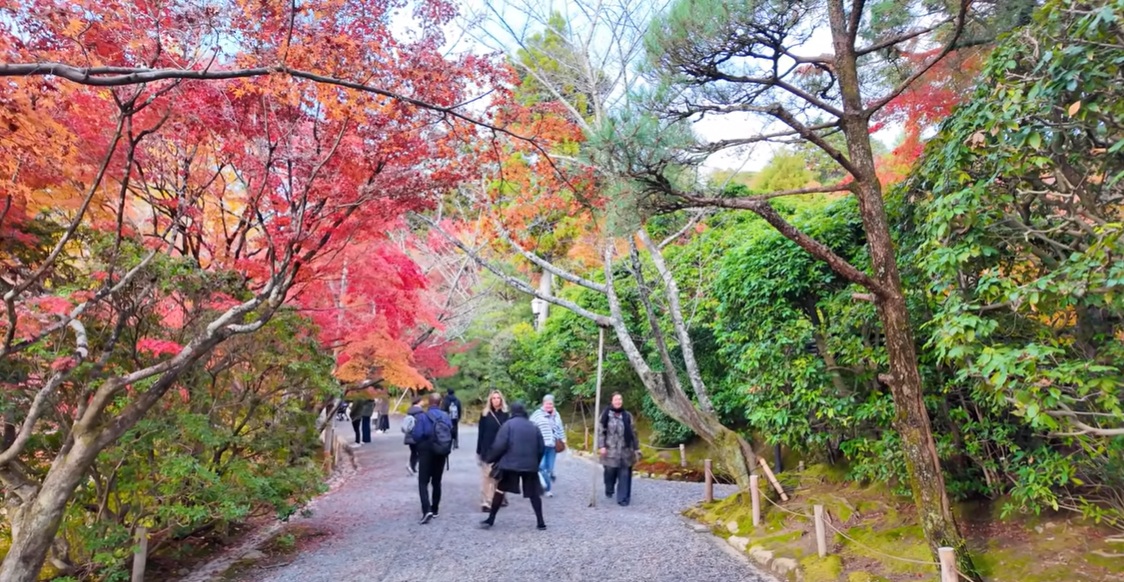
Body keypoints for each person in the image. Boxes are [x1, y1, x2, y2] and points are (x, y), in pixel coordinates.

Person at [480, 401, 547, 530]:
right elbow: (541, 448)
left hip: (510, 464)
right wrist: (535, 462)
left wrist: (490, 458)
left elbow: (499, 445)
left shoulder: (508, 425)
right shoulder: (533, 426)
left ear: (512, 411)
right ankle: (540, 522)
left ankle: (490, 519)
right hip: (530, 465)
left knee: (500, 490)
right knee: (534, 494)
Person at [410, 393, 453, 524]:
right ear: (440, 403)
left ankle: (426, 509)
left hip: (426, 451)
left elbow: (417, 435)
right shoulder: (445, 416)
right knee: (436, 481)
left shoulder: (422, 417)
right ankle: (435, 509)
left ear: (429, 402)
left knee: (423, 482)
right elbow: (450, 431)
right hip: (440, 451)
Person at [599, 392, 638, 506]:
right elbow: (600, 431)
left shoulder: (627, 416)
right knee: (609, 473)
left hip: (625, 450)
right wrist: (601, 446)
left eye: (620, 399)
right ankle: (609, 488)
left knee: (625, 474)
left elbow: (634, 433)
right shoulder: (606, 414)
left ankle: (623, 498)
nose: (618, 402)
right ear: (612, 401)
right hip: (610, 450)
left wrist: (636, 448)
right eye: (616, 399)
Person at [476, 390, 510, 512]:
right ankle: (486, 502)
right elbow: (481, 433)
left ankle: (500, 497)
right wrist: (479, 451)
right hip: (488, 450)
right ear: (490, 400)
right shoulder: (485, 415)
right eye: (493, 398)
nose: (496, 400)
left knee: (499, 477)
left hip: (501, 451)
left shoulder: (506, 415)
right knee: (487, 477)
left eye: (498, 398)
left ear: (501, 400)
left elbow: (509, 434)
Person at [529, 394, 565, 497]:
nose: (549, 406)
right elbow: (530, 427)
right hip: (540, 445)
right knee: (541, 467)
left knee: (549, 468)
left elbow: (560, 428)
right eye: (547, 403)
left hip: (552, 446)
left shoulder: (556, 415)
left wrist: (563, 439)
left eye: (551, 404)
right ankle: (546, 488)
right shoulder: (537, 414)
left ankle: (544, 482)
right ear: (543, 404)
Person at [401, 396, 424, 475]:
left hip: (409, 435)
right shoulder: (420, 412)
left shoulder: (409, 411)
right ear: (419, 402)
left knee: (413, 452)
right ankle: (413, 466)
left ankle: (412, 466)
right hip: (417, 435)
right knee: (420, 452)